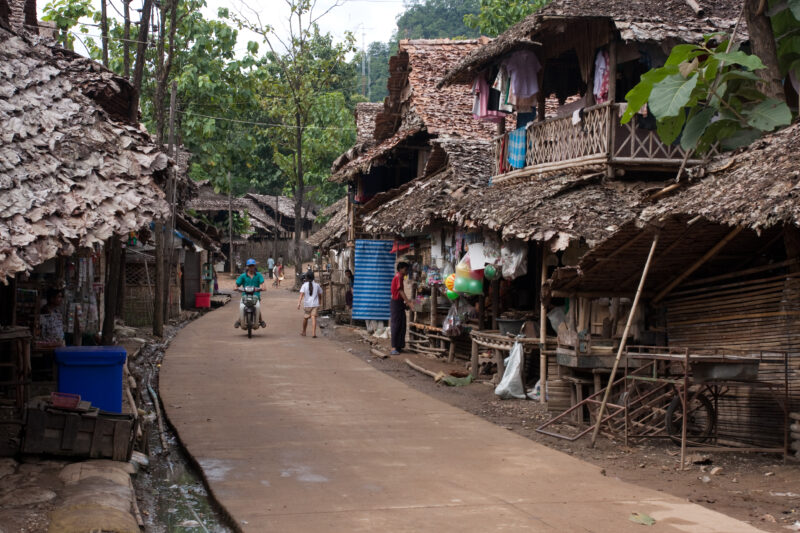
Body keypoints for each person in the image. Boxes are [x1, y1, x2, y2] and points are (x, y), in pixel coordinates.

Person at [234, 258, 266, 328]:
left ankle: (261, 320)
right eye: (249, 266)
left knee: (257, 307)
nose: (251, 267)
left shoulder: (258, 275)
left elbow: (262, 283)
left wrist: (262, 287)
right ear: (247, 267)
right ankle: (239, 320)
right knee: (242, 307)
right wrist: (236, 287)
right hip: (245, 295)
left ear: (254, 266)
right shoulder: (243, 276)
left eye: (252, 266)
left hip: (255, 295)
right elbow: (237, 284)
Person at [390, 262, 413, 355]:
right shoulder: (398, 277)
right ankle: (393, 347)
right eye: (405, 269)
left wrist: (405, 303)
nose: (407, 271)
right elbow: (400, 291)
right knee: (396, 325)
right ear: (401, 269)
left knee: (402, 324)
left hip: (398, 303)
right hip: (396, 303)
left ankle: (399, 346)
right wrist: (408, 302)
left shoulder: (400, 277)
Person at [297, 271, 322, 338]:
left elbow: (301, 295)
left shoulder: (304, 285)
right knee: (313, 317)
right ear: (313, 277)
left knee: (305, 318)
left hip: (307, 304)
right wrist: (320, 302)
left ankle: (304, 332)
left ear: (307, 277)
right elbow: (320, 294)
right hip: (315, 304)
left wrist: (299, 303)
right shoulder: (317, 285)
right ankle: (314, 333)